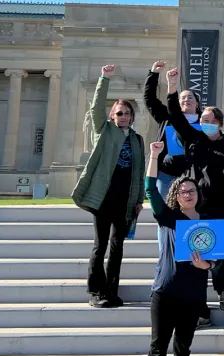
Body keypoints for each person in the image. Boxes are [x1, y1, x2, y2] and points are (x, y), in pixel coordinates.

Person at [163, 67, 224, 318]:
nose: (205, 124)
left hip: (216, 206)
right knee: (193, 255)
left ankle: (222, 290)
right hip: (190, 206)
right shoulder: (193, 139)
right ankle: (199, 308)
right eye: (203, 120)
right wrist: (172, 87)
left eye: (210, 121)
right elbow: (176, 117)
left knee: (216, 254)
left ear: (219, 123)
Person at [143, 141, 209, 356]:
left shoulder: (208, 224)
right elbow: (149, 189)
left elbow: (217, 262)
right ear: (176, 195)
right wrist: (154, 157)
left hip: (192, 296)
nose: (188, 194)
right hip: (166, 292)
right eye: (183, 191)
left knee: (183, 352)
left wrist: (206, 267)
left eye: (192, 191)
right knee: (158, 352)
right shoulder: (168, 217)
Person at [72, 64, 145, 309]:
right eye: (119, 113)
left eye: (126, 113)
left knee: (117, 247)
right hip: (103, 198)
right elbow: (95, 107)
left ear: (132, 116)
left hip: (125, 201)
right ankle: (95, 291)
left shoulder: (137, 139)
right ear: (112, 116)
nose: (122, 116)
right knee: (100, 245)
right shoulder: (104, 131)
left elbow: (139, 171)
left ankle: (111, 291)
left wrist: (138, 200)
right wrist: (104, 78)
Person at [144, 60, 202, 199]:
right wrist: (154, 73)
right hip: (167, 174)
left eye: (190, 97)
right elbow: (149, 99)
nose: (186, 100)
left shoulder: (204, 120)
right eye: (182, 97)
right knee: (166, 212)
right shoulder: (168, 117)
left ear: (197, 102)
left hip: (195, 173)